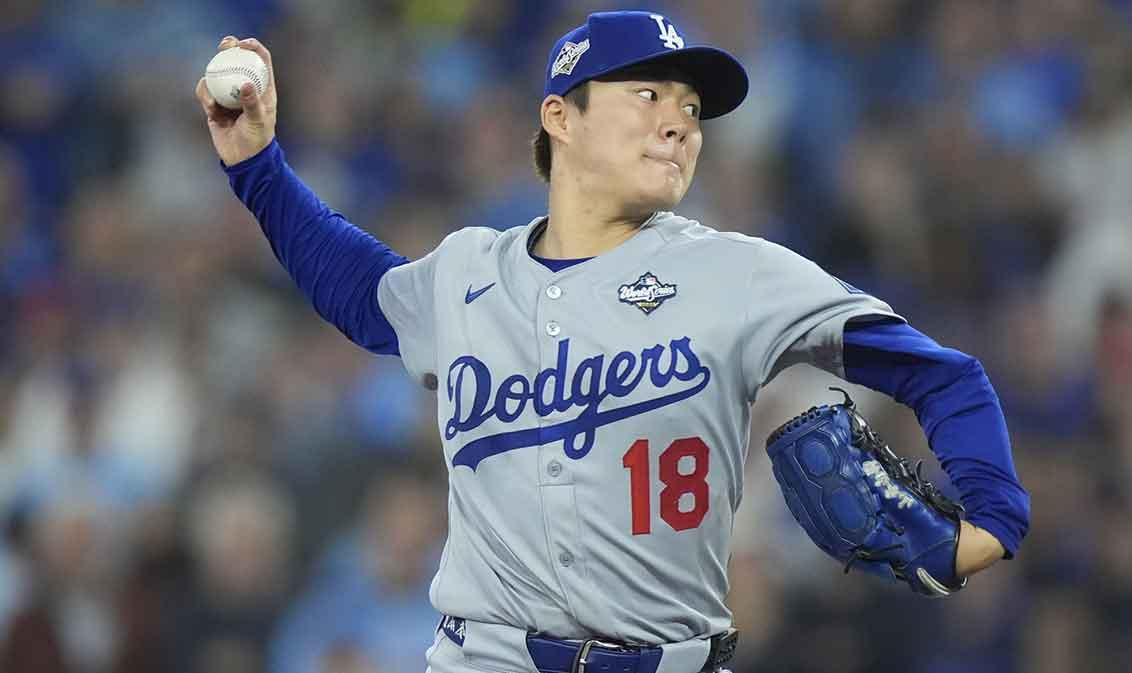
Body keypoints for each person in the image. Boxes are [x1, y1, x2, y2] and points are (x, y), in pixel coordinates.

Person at [194, 10, 1029, 673]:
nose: (679, 123)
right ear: (561, 116)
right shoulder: (466, 275)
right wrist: (258, 167)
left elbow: (946, 378)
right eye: (648, 96)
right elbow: (357, 287)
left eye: (692, 108)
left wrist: (988, 525)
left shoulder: (739, 273)